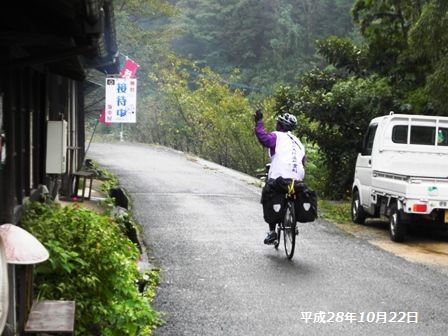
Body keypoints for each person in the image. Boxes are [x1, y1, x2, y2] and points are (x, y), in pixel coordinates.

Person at [254, 109, 306, 244]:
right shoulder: (299, 142)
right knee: (292, 190)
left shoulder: (277, 136)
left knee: (268, 195)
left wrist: (259, 122)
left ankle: (272, 232)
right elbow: (302, 162)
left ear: (280, 126)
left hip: (280, 178)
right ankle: (293, 219)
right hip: (297, 179)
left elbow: (264, 139)